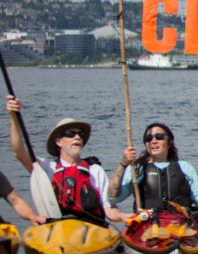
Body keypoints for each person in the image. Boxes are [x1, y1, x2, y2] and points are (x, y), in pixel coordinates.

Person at [7, 95, 124, 225]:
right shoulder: (46, 168)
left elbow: (109, 211)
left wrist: (125, 216)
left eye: (81, 134)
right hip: (57, 230)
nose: (77, 137)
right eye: (71, 134)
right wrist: (14, 117)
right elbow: (18, 153)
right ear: (58, 142)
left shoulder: (95, 171)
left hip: (91, 231)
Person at [108, 122, 198, 215]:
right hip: (147, 223)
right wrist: (123, 164)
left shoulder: (184, 167)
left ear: (169, 142)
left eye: (159, 137)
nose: (153, 141)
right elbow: (113, 198)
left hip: (179, 223)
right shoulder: (138, 168)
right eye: (148, 138)